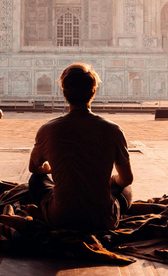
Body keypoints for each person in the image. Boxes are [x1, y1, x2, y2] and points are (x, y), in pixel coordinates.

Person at [28, 63, 133, 230]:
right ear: (93, 91)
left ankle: (55, 204)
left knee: (36, 180)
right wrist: (112, 180)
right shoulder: (113, 130)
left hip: (61, 218)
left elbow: (34, 168)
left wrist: (51, 169)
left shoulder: (48, 129)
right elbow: (127, 179)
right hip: (102, 220)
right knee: (125, 189)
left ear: (64, 92)